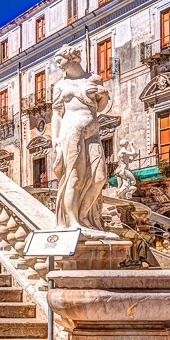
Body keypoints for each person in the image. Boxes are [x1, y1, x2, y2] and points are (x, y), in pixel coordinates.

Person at [51, 46, 111, 235]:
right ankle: (73, 221)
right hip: (72, 130)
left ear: (72, 58)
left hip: (92, 131)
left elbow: (100, 107)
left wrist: (104, 95)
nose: (59, 67)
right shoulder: (60, 85)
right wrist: (56, 139)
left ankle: (84, 216)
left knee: (99, 177)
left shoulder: (93, 79)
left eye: (60, 61)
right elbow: (57, 114)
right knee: (74, 177)